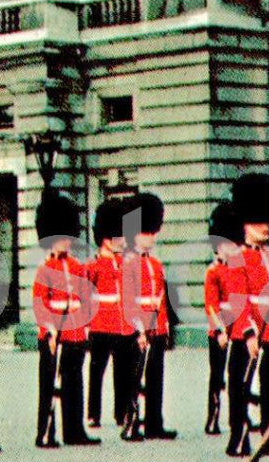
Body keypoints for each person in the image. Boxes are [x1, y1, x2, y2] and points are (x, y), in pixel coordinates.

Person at [224, 174, 269, 457]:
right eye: (258, 222)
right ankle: (238, 436)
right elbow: (239, 299)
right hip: (248, 331)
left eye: (267, 221)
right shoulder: (237, 258)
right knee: (240, 386)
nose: (265, 227)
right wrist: (248, 332)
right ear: (244, 224)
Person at [30, 189, 97, 448]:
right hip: (54, 334)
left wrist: (85, 328)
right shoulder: (45, 270)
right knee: (49, 385)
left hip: (74, 334)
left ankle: (74, 430)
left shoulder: (77, 267)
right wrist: (48, 330)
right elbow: (40, 304)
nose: (66, 242)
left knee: (74, 383)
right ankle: (45, 431)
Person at [86, 198, 138, 438]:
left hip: (122, 324)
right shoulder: (93, 266)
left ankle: (121, 412)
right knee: (97, 371)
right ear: (106, 239)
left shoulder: (124, 264)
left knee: (122, 371)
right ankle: (93, 413)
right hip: (100, 325)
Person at [130, 192, 178, 440]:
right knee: (134, 378)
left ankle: (154, 423)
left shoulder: (156, 265)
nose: (150, 237)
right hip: (137, 329)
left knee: (155, 378)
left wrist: (163, 328)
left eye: (152, 232)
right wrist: (139, 330)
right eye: (145, 232)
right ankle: (131, 422)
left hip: (156, 328)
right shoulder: (129, 264)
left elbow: (161, 299)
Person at [201, 203, 240, 436]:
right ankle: (213, 418)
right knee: (217, 376)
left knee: (237, 375)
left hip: (238, 326)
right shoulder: (213, 271)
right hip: (220, 328)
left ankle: (239, 415)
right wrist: (220, 331)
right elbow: (211, 306)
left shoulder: (237, 269)